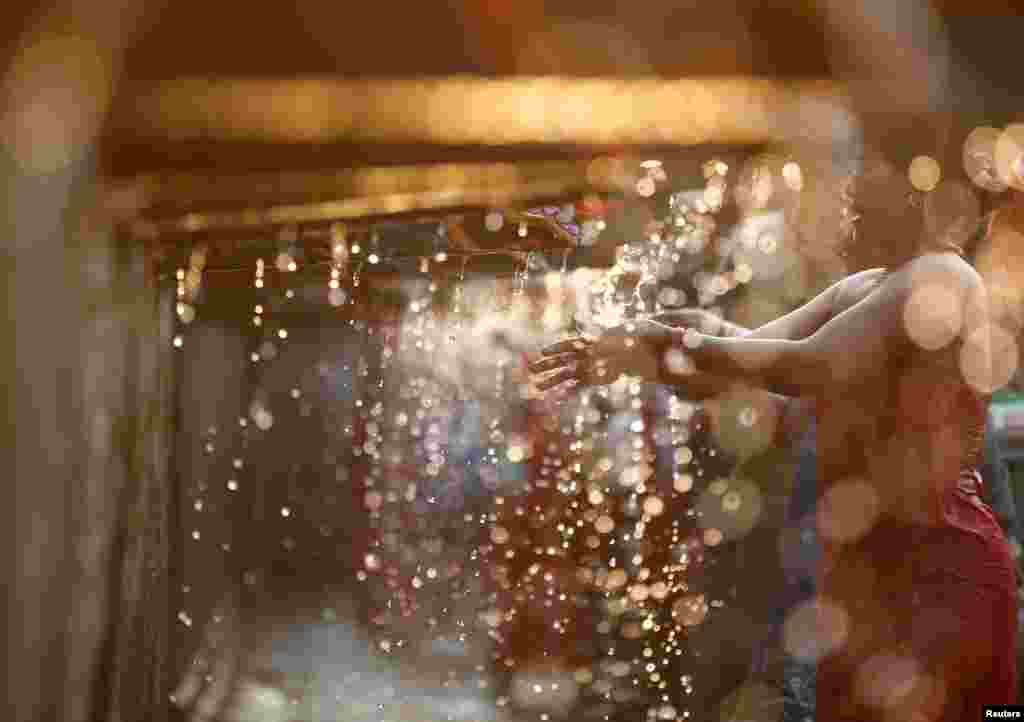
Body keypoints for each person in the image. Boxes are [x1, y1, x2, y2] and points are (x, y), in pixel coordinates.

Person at [530, 157, 1018, 720]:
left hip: (939, 571)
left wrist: (671, 339)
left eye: (859, 194)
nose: (845, 208)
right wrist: (642, 349)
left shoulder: (943, 277)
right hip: (868, 581)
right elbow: (737, 354)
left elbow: (807, 365)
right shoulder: (865, 288)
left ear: (914, 199)